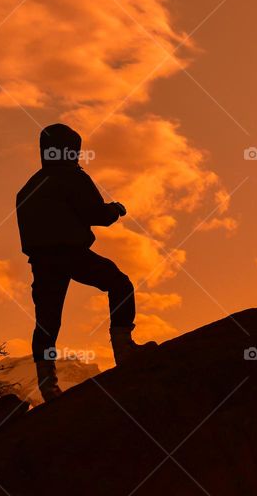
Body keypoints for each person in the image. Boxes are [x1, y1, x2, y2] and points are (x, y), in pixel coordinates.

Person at [16, 123, 156, 402]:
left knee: (47, 321)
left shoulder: (27, 188)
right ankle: (124, 350)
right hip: (71, 254)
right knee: (119, 283)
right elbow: (98, 214)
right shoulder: (72, 177)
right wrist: (115, 209)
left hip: (42, 262)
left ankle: (48, 386)